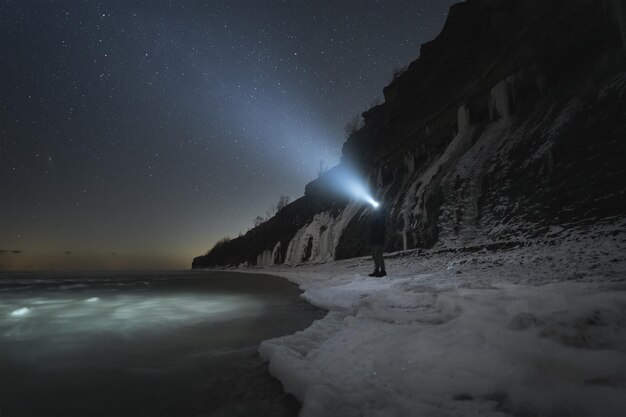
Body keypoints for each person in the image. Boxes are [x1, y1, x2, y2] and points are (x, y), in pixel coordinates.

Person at [369, 204, 386, 277]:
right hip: (374, 239)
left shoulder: (381, 217)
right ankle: (376, 270)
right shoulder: (375, 217)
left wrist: (378, 238)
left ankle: (382, 271)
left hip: (379, 239)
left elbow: (381, 229)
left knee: (378, 255)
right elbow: (372, 229)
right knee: (374, 255)